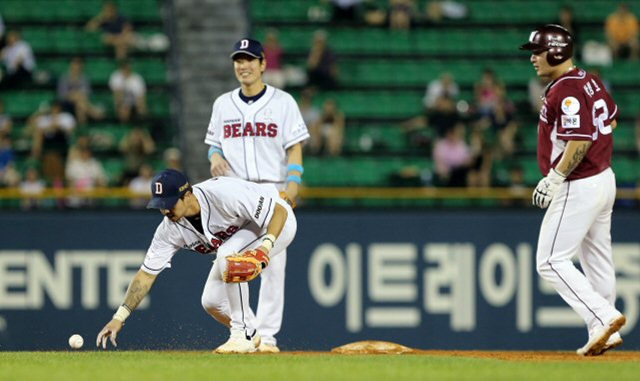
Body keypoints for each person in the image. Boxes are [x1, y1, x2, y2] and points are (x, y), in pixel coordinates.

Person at [96, 169, 297, 353]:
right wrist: (119, 318)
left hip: (277, 225)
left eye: (169, 204)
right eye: (160, 205)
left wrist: (265, 247)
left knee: (227, 254)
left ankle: (241, 335)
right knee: (211, 301)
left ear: (188, 195)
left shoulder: (223, 193)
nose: (165, 211)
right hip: (245, 236)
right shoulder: (169, 229)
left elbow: (279, 211)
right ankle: (254, 337)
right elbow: (146, 275)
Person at [520, 24, 626, 356]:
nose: (533, 58)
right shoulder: (588, 79)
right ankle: (604, 332)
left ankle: (602, 317)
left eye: (537, 51)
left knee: (550, 261)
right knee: (596, 260)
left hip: (578, 183)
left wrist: (554, 177)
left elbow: (579, 138)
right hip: (603, 179)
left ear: (556, 51)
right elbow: (611, 121)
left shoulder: (564, 90)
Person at [205, 38, 309, 352]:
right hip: (235, 193)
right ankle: (250, 330)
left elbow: (295, 147)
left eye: (250, 59)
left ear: (263, 64)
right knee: (232, 262)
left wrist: (292, 185)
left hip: (270, 188)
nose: (243, 65)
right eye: (238, 60)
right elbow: (214, 143)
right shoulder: (223, 103)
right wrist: (213, 158)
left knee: (272, 267)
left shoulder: (283, 102)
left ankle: (268, 338)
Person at [57, 57, 104, 125]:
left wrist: (76, 95)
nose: (77, 67)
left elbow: (86, 94)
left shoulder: (84, 78)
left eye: (79, 65)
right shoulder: (64, 78)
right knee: (79, 99)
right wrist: (75, 94)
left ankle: (82, 127)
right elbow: (63, 94)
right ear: (71, 66)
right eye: (75, 65)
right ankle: (94, 112)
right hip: (66, 102)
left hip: (80, 101)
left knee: (80, 106)